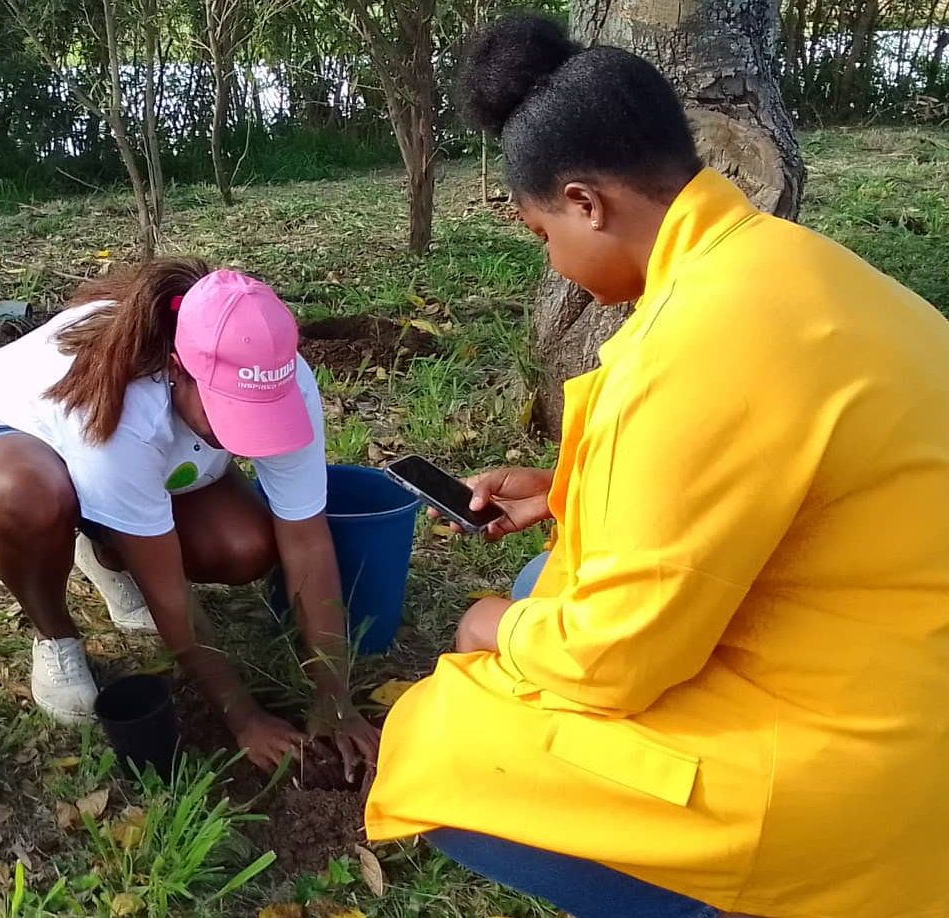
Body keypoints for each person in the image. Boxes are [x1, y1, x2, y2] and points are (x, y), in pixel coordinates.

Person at [364, 14, 949, 918]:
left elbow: (615, 662)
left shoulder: (704, 339)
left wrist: (491, 631)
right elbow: (776, 487)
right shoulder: (784, 265)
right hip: (895, 649)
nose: (554, 259)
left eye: (541, 234)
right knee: (538, 574)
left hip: (877, 767)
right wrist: (564, 495)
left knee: (439, 734)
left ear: (584, 201)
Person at [0, 261, 380, 774]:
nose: (242, 437)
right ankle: (55, 634)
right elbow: (168, 591)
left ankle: (106, 541)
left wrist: (334, 694)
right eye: (230, 413)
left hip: (131, 460)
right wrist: (243, 718)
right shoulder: (121, 408)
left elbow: (307, 542)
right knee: (31, 499)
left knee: (241, 547)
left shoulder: (278, 372)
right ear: (176, 368)